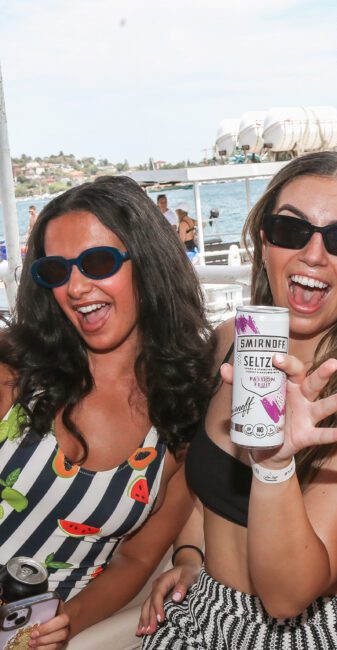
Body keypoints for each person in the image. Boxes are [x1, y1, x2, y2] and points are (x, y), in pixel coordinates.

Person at [138, 151, 337, 649]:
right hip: (204, 612)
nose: (313, 254)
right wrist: (190, 559)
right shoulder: (230, 343)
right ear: (264, 242)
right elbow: (210, 493)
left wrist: (275, 464)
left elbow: (289, 597)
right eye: (290, 229)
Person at [0, 176, 216, 647]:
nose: (76, 287)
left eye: (98, 263)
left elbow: (134, 562)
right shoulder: (13, 376)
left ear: (149, 265)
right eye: (56, 271)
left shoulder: (181, 418)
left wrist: (63, 625)